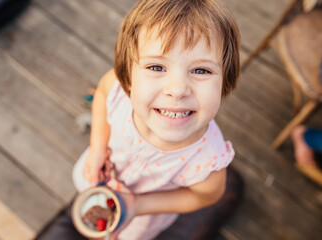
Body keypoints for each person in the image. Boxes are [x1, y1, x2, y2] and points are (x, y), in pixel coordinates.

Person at [37, 0, 243, 239]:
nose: (177, 89)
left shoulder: (207, 162)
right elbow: (102, 95)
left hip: (143, 213)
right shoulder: (117, 88)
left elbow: (205, 196)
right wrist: (97, 148)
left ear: (225, 82)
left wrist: (139, 205)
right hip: (103, 177)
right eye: (156, 67)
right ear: (128, 77)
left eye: (201, 70)